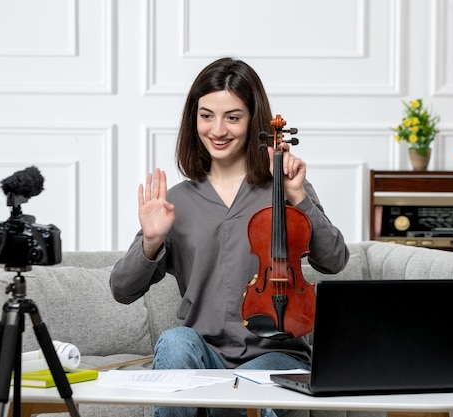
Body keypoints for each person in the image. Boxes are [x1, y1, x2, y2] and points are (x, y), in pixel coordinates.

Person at [110, 57, 349, 417]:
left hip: (275, 353)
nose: (217, 130)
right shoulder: (177, 201)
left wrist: (299, 198)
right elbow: (122, 290)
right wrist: (151, 241)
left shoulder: (284, 189)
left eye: (232, 117)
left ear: (254, 120)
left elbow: (333, 261)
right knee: (175, 341)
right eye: (206, 115)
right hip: (202, 352)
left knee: (255, 392)